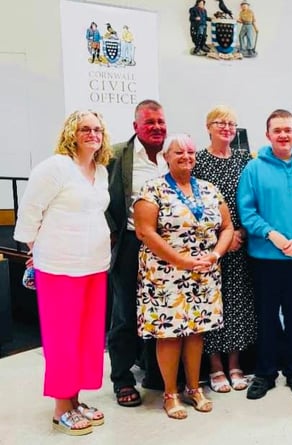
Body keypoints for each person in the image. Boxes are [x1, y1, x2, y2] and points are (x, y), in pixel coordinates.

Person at [14, 110, 113, 436]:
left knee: (87, 339)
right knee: (62, 339)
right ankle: (60, 407)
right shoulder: (56, 167)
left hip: (93, 266)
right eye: (85, 128)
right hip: (59, 267)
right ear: (72, 132)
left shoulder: (100, 171)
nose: (92, 134)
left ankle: (75, 399)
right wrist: (35, 250)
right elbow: (29, 212)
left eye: (97, 129)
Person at [134, 133, 234, 419]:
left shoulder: (209, 189)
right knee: (170, 335)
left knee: (196, 332)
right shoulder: (152, 189)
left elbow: (226, 227)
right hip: (166, 275)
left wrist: (215, 255)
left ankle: (194, 387)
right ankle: (170, 393)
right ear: (166, 157)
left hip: (203, 273)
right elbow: (145, 231)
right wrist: (181, 260)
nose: (186, 157)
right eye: (178, 152)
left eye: (190, 152)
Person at [237, 109, 292, 400]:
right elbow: (247, 212)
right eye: (277, 130)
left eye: (288, 129)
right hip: (265, 258)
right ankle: (265, 372)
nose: (283, 135)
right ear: (268, 135)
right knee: (266, 317)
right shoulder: (253, 169)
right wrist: (272, 235)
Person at [106, 99, 168, 407]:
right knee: (126, 313)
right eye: (149, 123)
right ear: (136, 127)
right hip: (131, 244)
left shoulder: (172, 156)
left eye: (160, 122)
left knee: (160, 311)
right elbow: (96, 195)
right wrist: (111, 231)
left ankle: (155, 373)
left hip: (166, 246)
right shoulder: (116, 155)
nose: (157, 128)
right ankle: (122, 379)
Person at [191, 105, 257, 393]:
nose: (227, 128)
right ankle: (215, 366)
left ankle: (235, 363)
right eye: (220, 123)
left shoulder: (245, 161)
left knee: (238, 303)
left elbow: (253, 200)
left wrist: (240, 233)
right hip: (210, 246)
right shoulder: (198, 161)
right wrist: (221, 239)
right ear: (208, 127)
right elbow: (192, 202)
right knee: (212, 303)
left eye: (231, 123)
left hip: (241, 243)